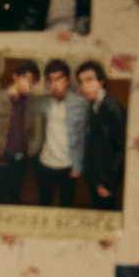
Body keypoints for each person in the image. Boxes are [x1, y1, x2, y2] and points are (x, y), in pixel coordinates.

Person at [0, 60, 42, 205]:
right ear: (15, 77)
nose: (30, 84)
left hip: (21, 157)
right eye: (27, 79)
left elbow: (37, 130)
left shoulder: (32, 103)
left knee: (15, 195)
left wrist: (32, 149)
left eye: (34, 82)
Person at [35, 59, 86, 208]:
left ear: (67, 80)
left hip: (68, 166)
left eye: (59, 79)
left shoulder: (79, 103)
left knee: (67, 204)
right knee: (44, 203)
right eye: (50, 80)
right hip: (45, 163)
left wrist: (78, 166)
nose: (55, 85)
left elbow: (82, 136)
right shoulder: (43, 102)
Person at [77, 60, 126, 211]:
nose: (84, 86)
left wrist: (108, 182)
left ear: (101, 81)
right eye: (81, 82)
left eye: (89, 80)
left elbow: (122, 149)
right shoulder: (92, 106)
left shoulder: (113, 109)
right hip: (93, 175)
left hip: (106, 179)